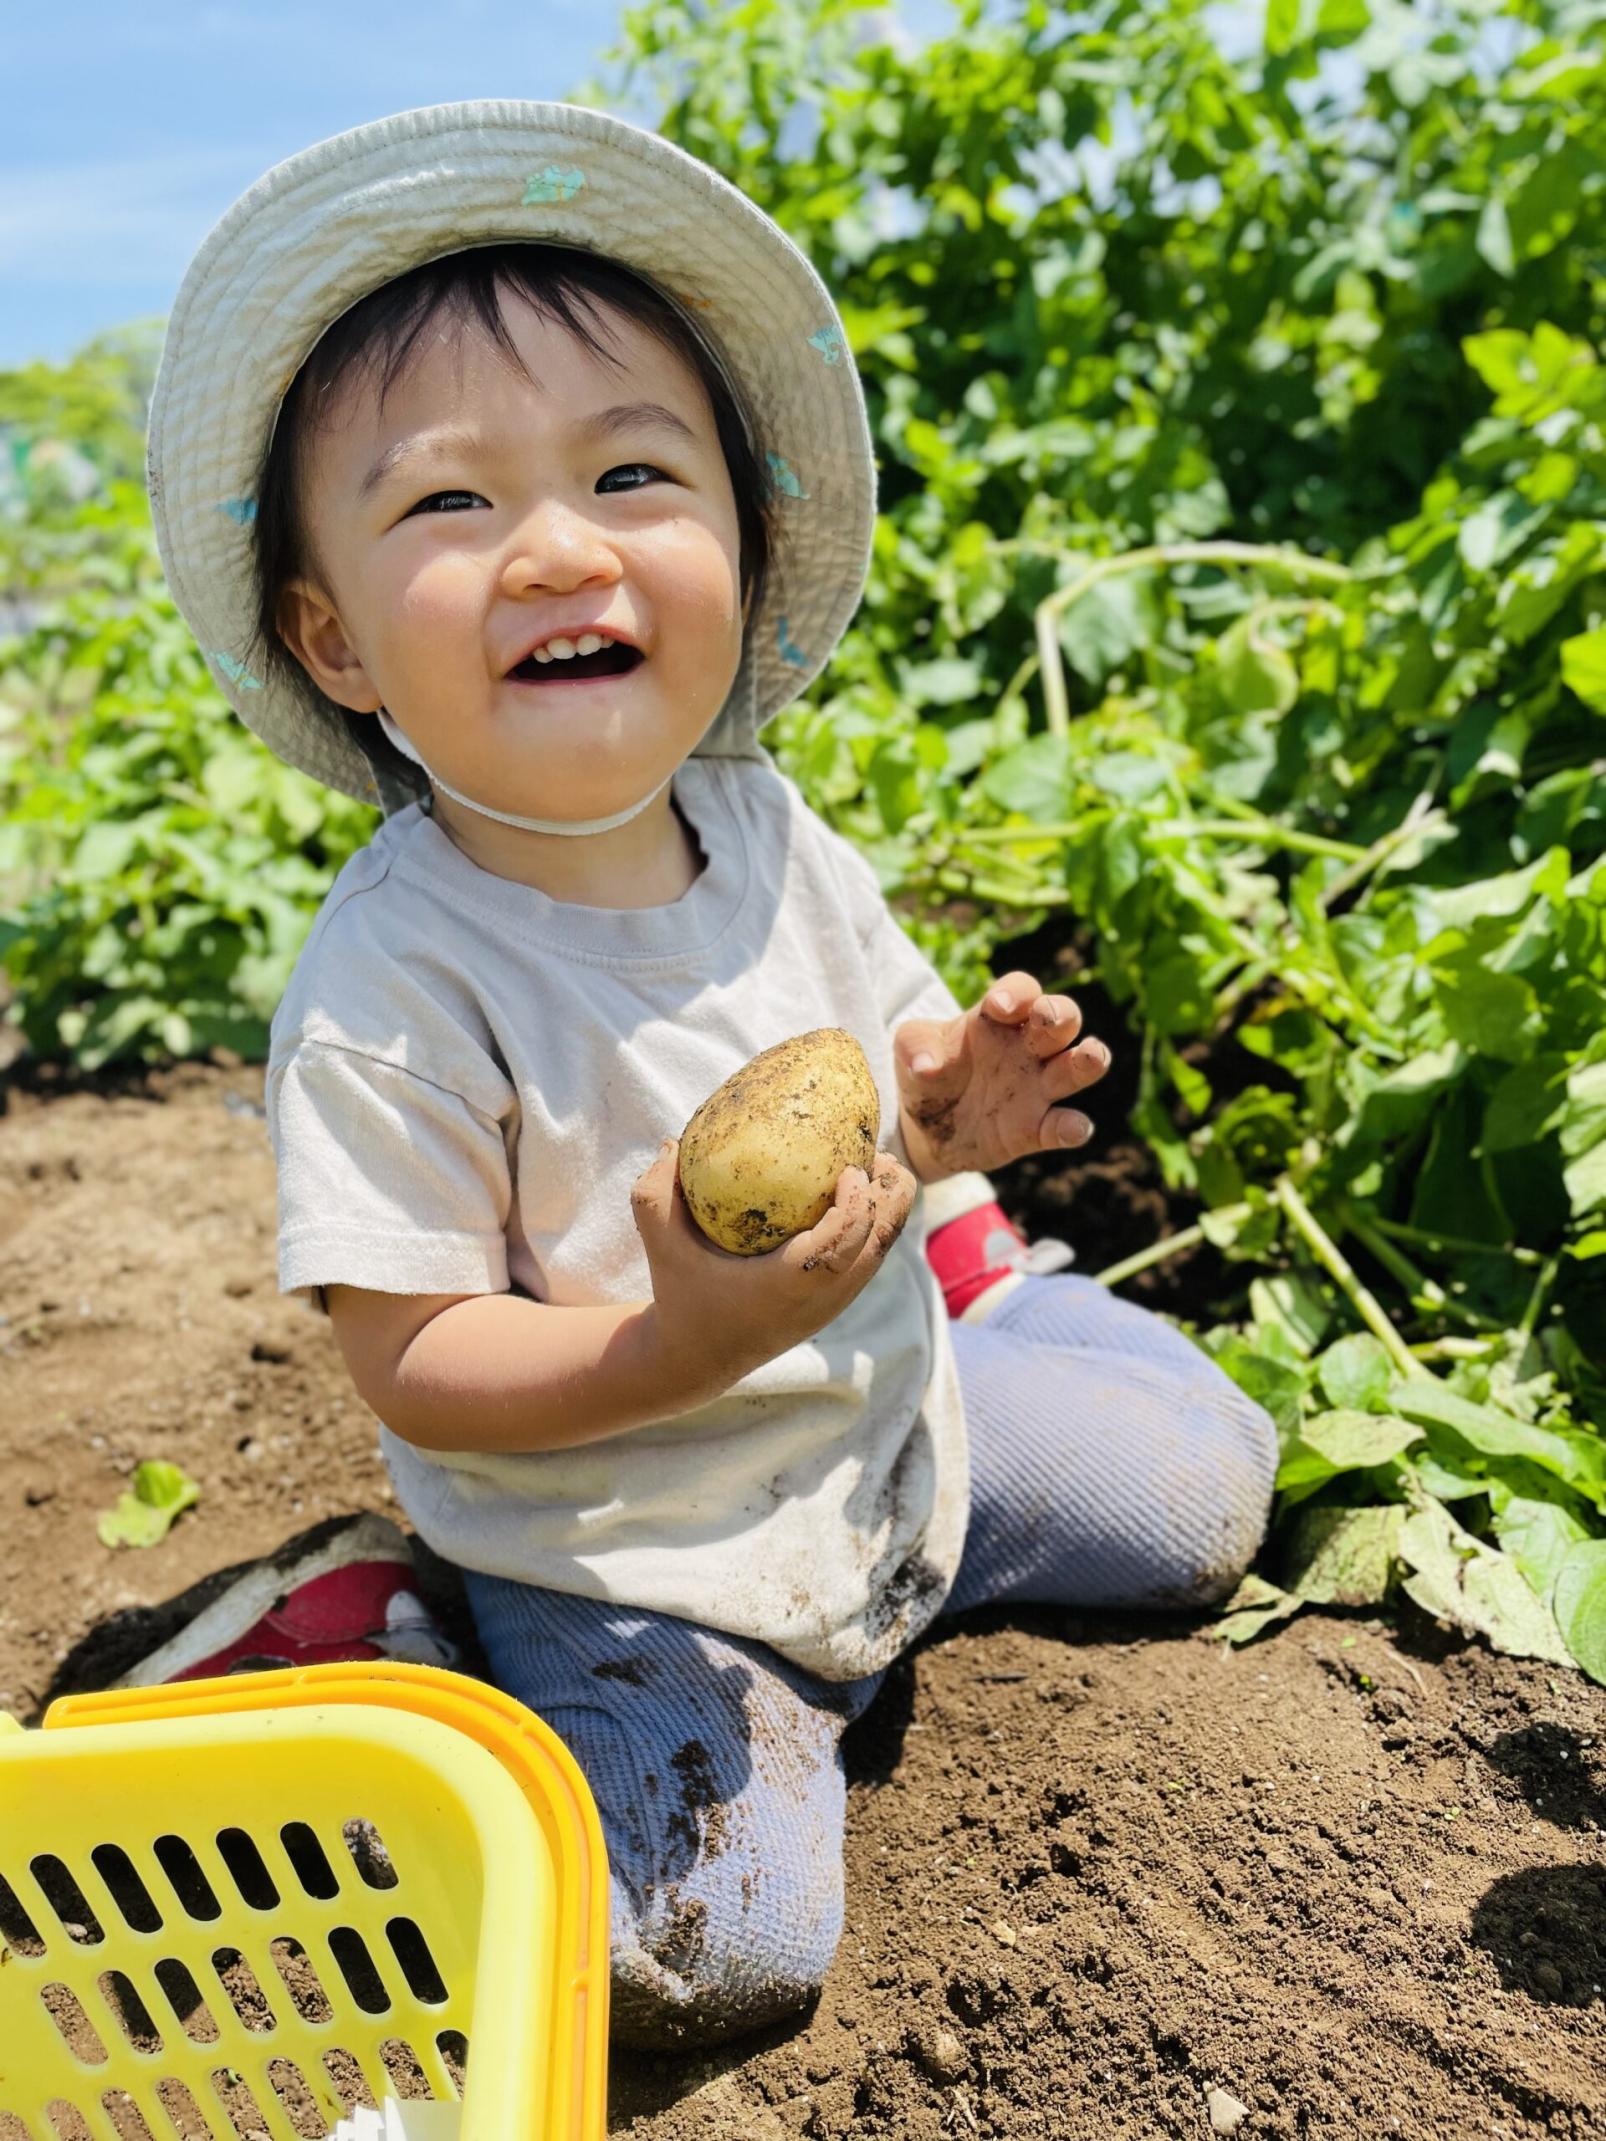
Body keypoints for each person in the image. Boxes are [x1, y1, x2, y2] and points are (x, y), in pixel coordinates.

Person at [138, 100, 1278, 2050]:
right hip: (632, 1548)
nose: (558, 546)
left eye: (630, 472)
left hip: (876, 1440)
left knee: (1198, 1501)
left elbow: (877, 1082)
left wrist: (953, 1124)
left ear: (741, 553)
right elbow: (415, 1362)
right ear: (331, 641)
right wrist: (677, 1341)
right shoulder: (392, 983)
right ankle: (401, 1637)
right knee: (705, 1945)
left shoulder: (762, 827)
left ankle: (997, 1303)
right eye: (447, 505)